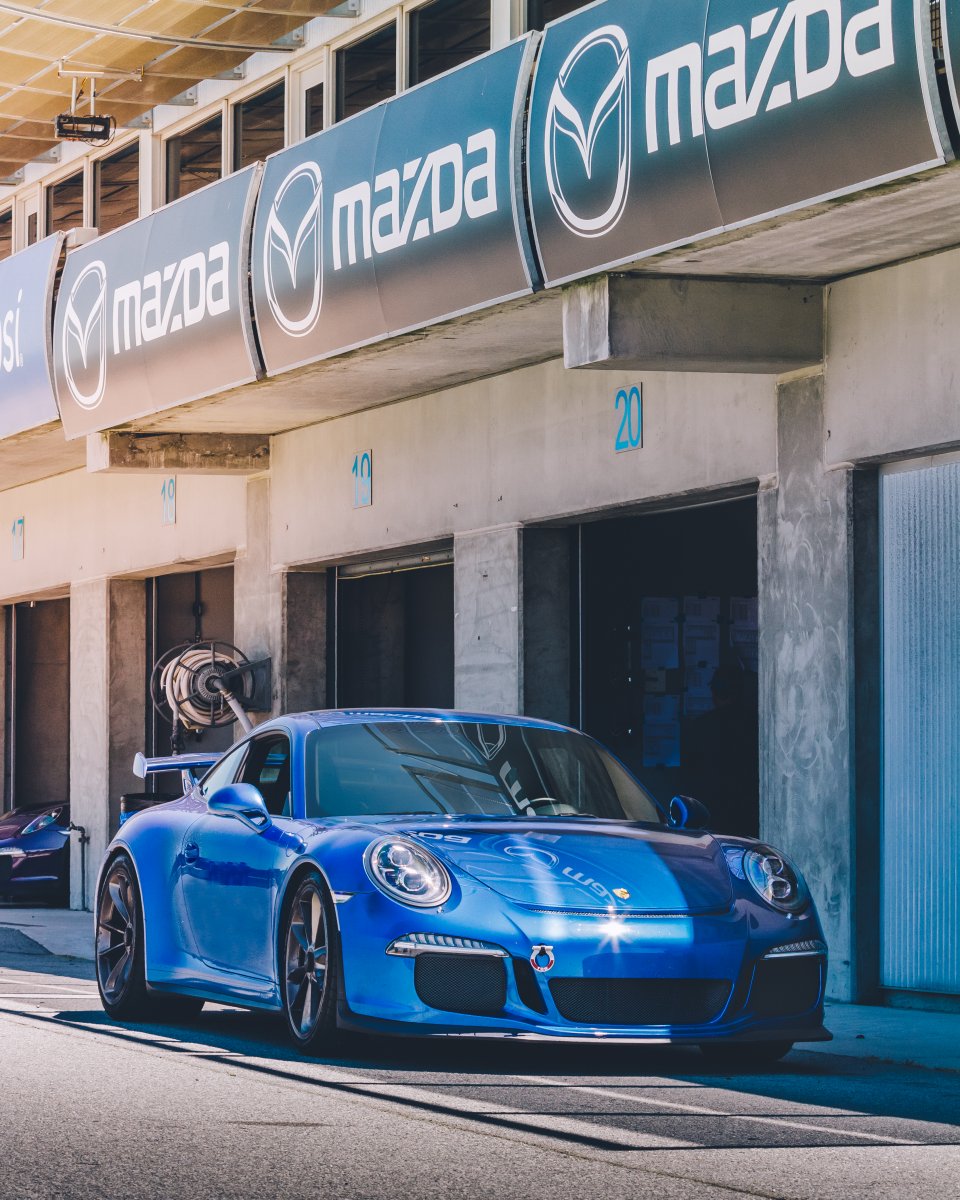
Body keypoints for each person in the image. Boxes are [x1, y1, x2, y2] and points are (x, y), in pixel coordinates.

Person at [684, 664, 759, 836]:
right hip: (746, 812)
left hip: (711, 814)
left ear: (714, 693)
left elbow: (691, 775)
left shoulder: (701, 726)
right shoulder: (755, 725)